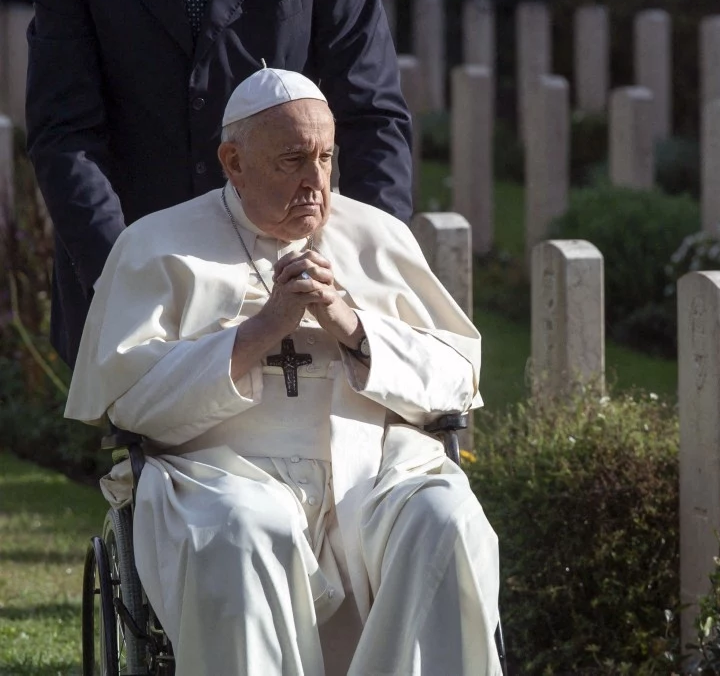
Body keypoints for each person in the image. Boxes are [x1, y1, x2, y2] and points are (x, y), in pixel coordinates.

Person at [64, 68, 500, 676]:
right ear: (233, 162)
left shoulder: (379, 236)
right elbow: (131, 404)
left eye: (325, 157)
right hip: (219, 476)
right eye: (292, 160)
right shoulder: (156, 245)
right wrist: (261, 331)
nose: (315, 181)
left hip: (373, 475)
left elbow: (456, 379)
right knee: (245, 530)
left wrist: (353, 326)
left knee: (446, 519)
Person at [25, 0, 412, 370]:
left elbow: (372, 119)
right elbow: (67, 134)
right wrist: (123, 276)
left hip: (293, 266)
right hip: (136, 275)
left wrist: (368, 268)